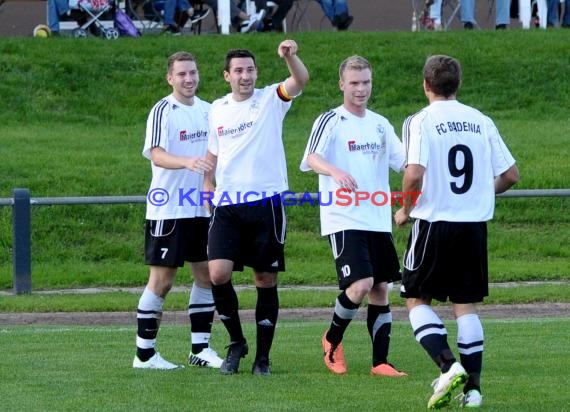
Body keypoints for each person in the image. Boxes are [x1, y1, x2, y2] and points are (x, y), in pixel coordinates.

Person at [394, 55, 519, 408]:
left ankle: (448, 367)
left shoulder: (420, 121)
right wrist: (480, 193)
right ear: (458, 84)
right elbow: (511, 175)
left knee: (416, 299)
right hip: (473, 227)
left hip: (434, 223)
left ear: (426, 85)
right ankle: (474, 391)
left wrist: (406, 209)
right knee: (466, 307)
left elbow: (414, 173)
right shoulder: (480, 120)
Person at [204, 40, 309, 376]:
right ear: (226, 76)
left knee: (264, 278)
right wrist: (208, 184)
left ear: (257, 73)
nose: (245, 76)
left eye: (250, 70)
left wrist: (290, 57)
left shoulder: (270, 99)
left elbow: (300, 81)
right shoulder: (217, 108)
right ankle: (237, 343)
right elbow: (213, 153)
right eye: (238, 71)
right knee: (217, 273)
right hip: (227, 206)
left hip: (266, 203)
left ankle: (262, 357)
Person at [300, 55, 407, 378]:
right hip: (343, 217)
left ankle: (380, 363)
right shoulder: (331, 120)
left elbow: (404, 163)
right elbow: (311, 158)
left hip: (376, 217)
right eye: (355, 83)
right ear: (342, 85)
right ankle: (331, 340)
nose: (361, 89)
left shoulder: (379, 123)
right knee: (360, 284)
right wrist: (335, 170)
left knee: (380, 288)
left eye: (366, 83)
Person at [133, 51, 223, 370]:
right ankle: (144, 355)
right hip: (168, 206)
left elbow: (215, 155)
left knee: (206, 275)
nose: (189, 79)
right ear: (170, 78)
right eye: (182, 74)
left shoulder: (210, 111)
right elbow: (156, 154)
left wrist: (211, 182)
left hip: (201, 209)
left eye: (193, 73)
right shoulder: (163, 110)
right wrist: (186, 161)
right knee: (163, 280)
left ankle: (200, 349)